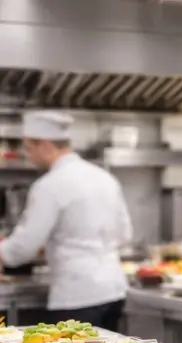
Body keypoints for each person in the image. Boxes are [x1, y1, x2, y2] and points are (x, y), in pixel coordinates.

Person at [0, 111, 132, 330]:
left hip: (76, 297)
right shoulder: (104, 177)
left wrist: (3, 253)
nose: (28, 155)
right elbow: (124, 234)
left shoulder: (49, 185)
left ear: (45, 145)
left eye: (29, 148)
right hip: (113, 292)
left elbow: (24, 247)